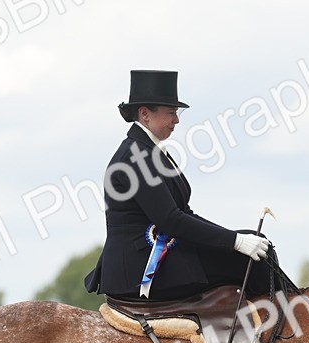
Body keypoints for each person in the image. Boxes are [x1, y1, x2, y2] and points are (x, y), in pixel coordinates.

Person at [84, 70, 272, 301]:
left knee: (259, 245)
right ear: (145, 114)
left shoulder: (151, 151)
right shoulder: (134, 158)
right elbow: (170, 220)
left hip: (166, 251)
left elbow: (185, 213)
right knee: (255, 259)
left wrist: (234, 237)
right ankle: (279, 329)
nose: (177, 120)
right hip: (138, 267)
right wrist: (235, 242)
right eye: (171, 113)